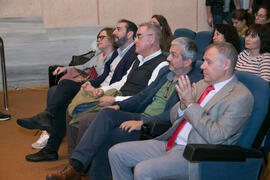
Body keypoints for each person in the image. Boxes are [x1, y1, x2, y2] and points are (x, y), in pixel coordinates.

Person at [45, 37, 203, 180]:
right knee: (107, 113)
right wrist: (119, 105)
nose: (168, 57)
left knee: (106, 135)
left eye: (174, 55)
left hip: (155, 126)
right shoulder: (166, 72)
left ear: (187, 61)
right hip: (140, 114)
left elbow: (174, 114)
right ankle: (76, 167)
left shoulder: (193, 83)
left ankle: (77, 170)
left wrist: (143, 122)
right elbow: (143, 97)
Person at [108, 42, 254, 180]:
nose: (202, 66)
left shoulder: (240, 97)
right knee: (116, 153)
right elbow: (173, 116)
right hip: (171, 142)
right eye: (203, 61)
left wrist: (190, 105)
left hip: (196, 153)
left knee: (143, 170)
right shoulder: (203, 84)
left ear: (226, 64)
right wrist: (183, 106)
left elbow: (217, 136)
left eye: (208, 62)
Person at [16, 19, 138, 161]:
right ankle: (49, 135)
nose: (114, 32)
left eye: (118, 29)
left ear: (130, 34)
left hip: (107, 93)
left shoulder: (129, 55)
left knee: (65, 87)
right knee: (58, 95)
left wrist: (96, 88)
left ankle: (47, 122)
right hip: (100, 88)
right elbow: (100, 73)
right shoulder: (119, 54)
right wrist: (91, 84)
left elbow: (120, 83)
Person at [31, 27, 116, 150]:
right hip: (87, 84)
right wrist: (66, 68)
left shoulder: (113, 57)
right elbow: (84, 66)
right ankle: (48, 125)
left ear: (112, 39)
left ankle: (47, 120)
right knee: (53, 91)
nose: (98, 40)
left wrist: (92, 85)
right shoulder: (98, 54)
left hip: (96, 88)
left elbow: (106, 79)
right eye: (98, 37)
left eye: (102, 37)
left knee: (65, 84)